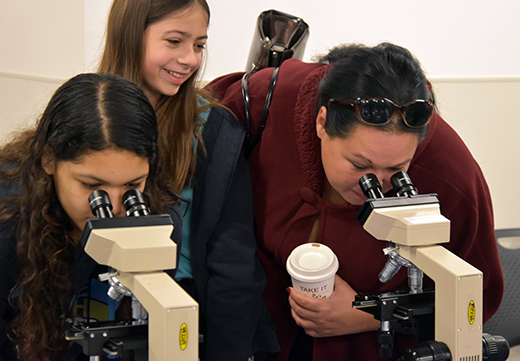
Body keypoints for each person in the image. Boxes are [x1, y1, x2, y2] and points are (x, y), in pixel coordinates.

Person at [207, 43, 504, 361]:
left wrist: (369, 315)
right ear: (321, 123)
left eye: (396, 169)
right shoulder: (269, 100)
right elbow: (187, 125)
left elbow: (477, 298)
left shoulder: (450, 174)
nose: (375, 182)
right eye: (359, 165)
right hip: (257, 333)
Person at [97, 0, 279, 360]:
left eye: (198, 45)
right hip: (100, 307)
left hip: (188, 317)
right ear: (130, 35)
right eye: (174, 41)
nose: (190, 59)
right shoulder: (87, 115)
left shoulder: (214, 132)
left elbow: (234, 265)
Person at [0, 73, 183, 361]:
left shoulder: (159, 218)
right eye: (91, 186)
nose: (114, 207)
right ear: (49, 159)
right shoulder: (8, 220)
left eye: (133, 186)